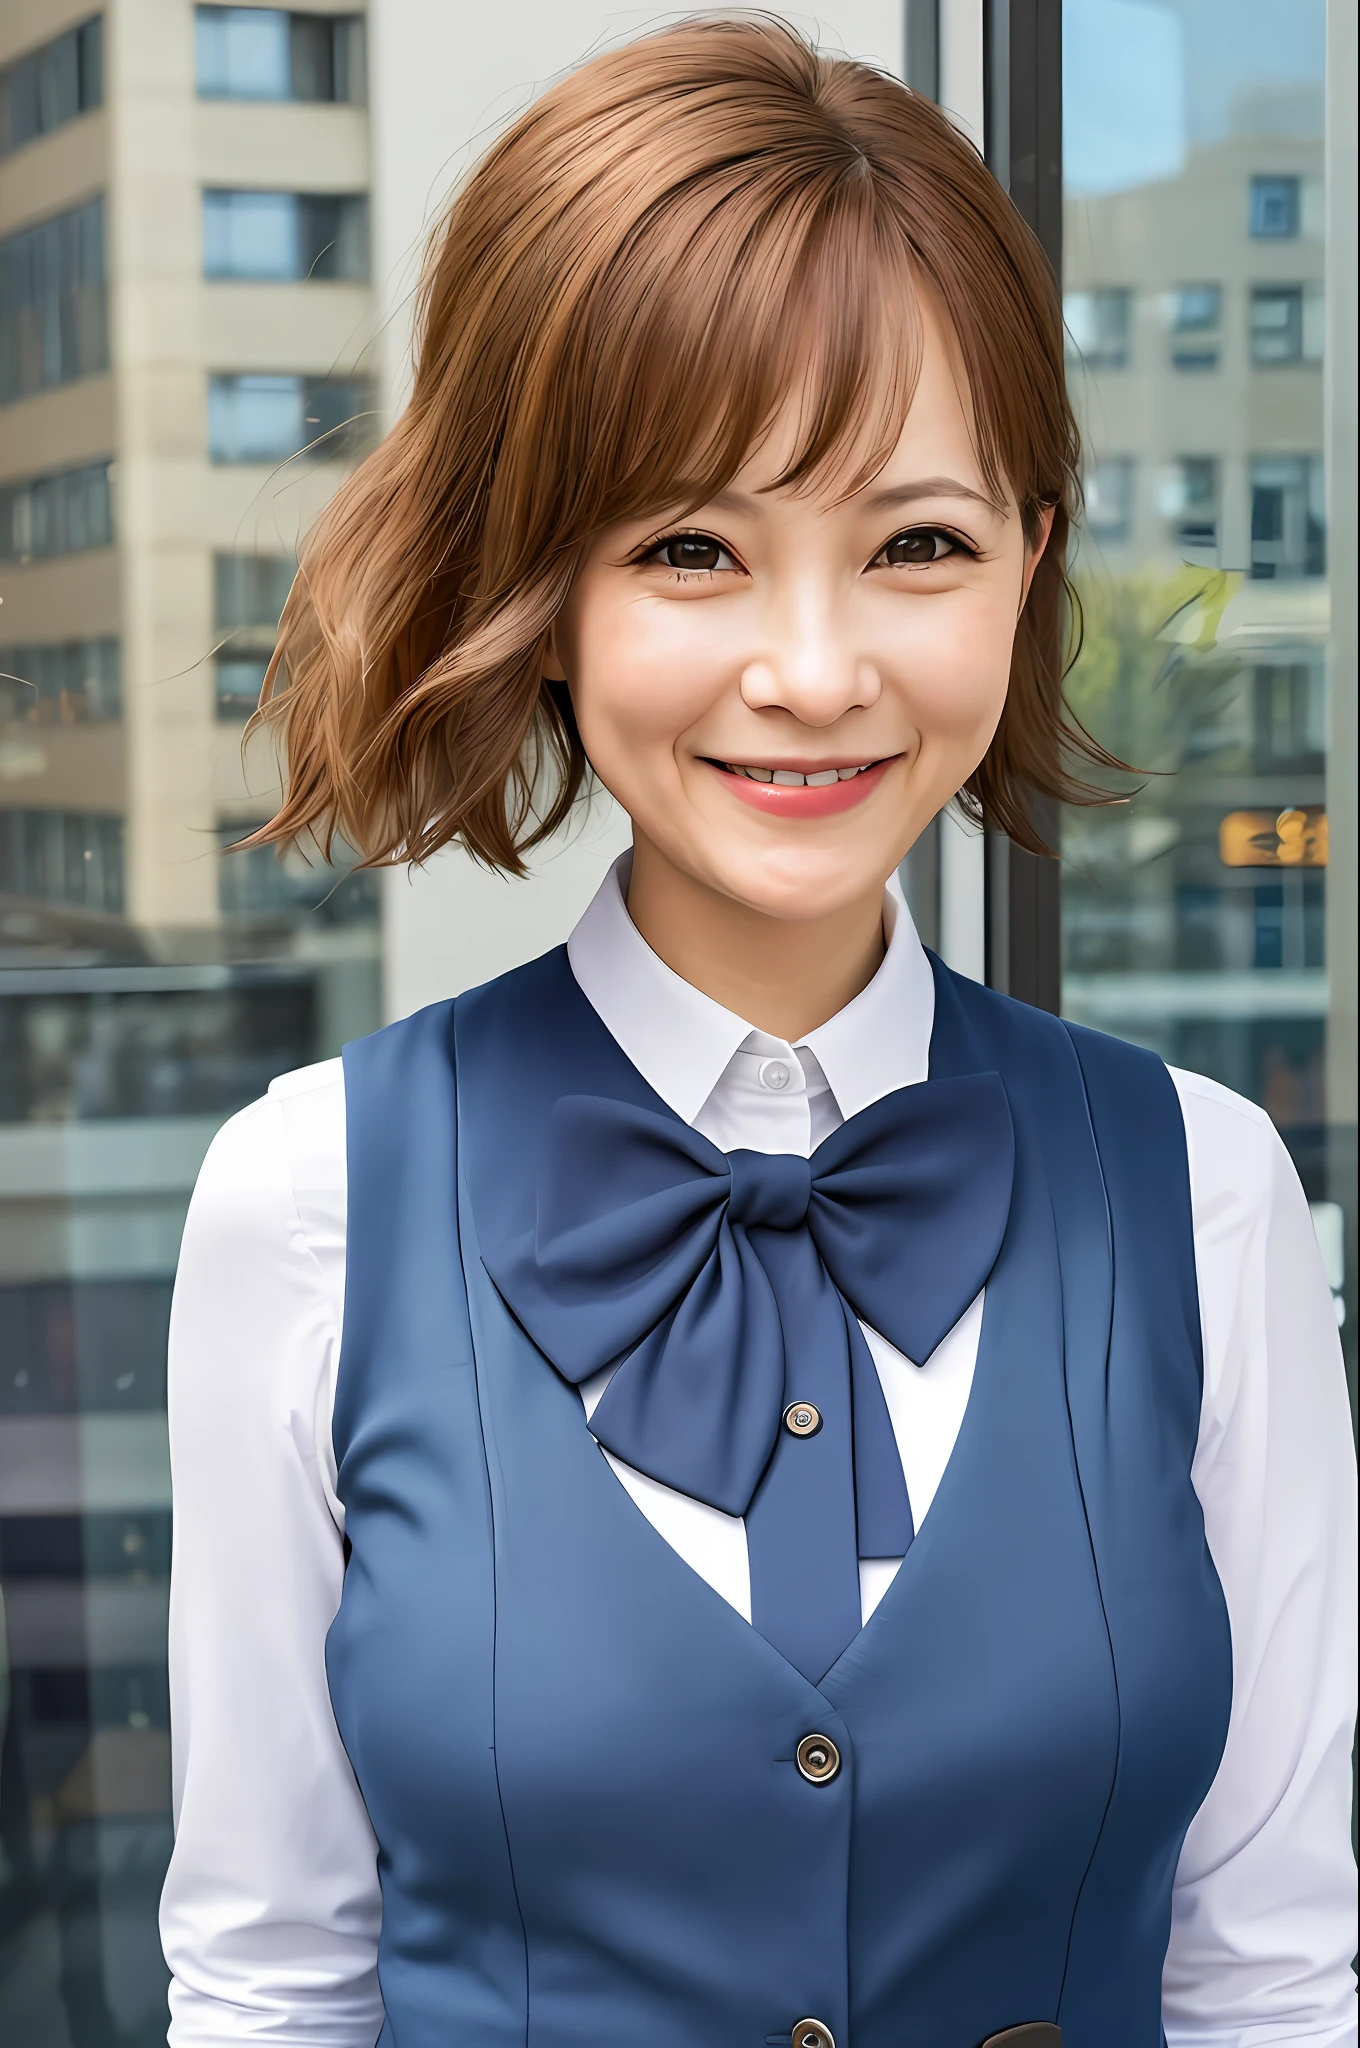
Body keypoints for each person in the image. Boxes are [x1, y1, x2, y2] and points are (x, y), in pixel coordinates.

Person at [159, 19, 1357, 2047]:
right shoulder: (301, 1200)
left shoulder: (1210, 1188)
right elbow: (270, 1979)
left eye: (916, 544)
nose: (812, 671)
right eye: (688, 550)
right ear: (537, 586)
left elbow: (1263, 1972)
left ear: (1025, 565)